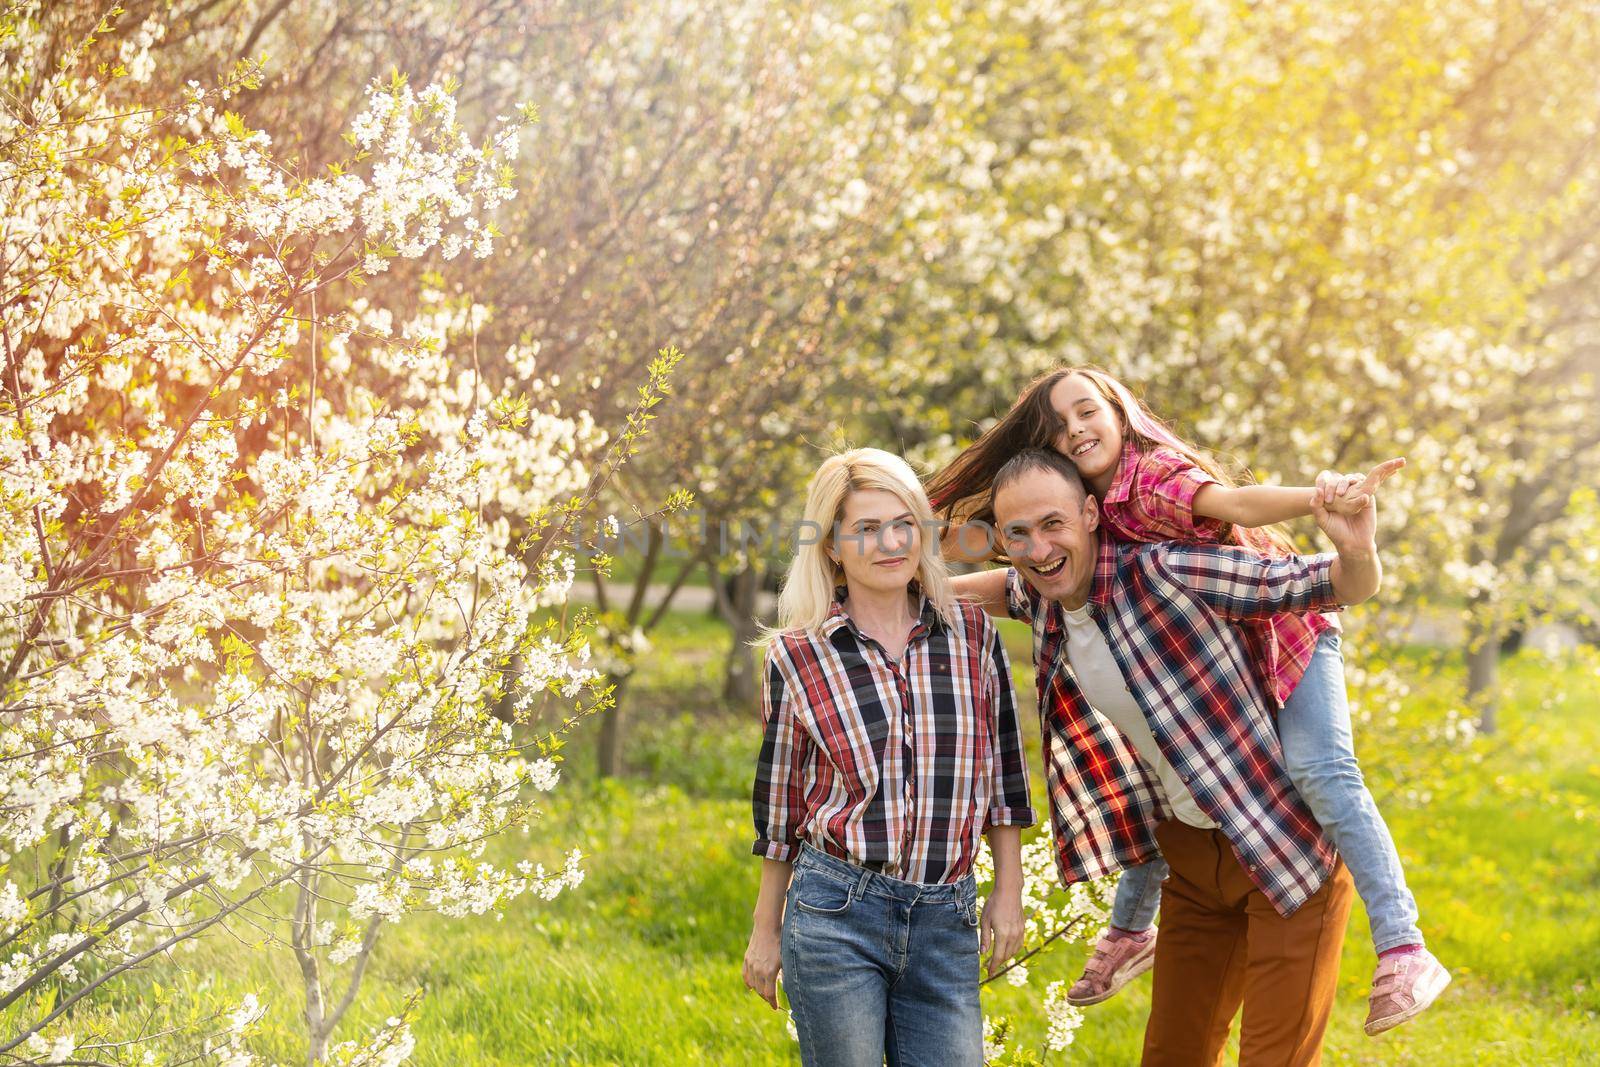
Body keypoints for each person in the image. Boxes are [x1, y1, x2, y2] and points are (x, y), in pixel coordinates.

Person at [930, 368, 1446, 1036]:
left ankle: (1404, 943)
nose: (1077, 430)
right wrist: (896, 568)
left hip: (1289, 713)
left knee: (1321, 766)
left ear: (1121, 418)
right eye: (1059, 426)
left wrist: (1330, 511)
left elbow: (1265, 529)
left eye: (1088, 411)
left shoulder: (1157, 504)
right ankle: (1130, 928)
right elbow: (997, 574)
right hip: (1195, 845)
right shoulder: (1062, 570)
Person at [742, 448, 1034, 1067]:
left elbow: (1007, 775)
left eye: (903, 523)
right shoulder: (796, 658)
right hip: (835, 912)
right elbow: (780, 810)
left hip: (945, 914)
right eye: (866, 530)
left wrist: (1008, 889)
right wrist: (764, 932)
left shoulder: (971, 635)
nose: (890, 543)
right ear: (831, 547)